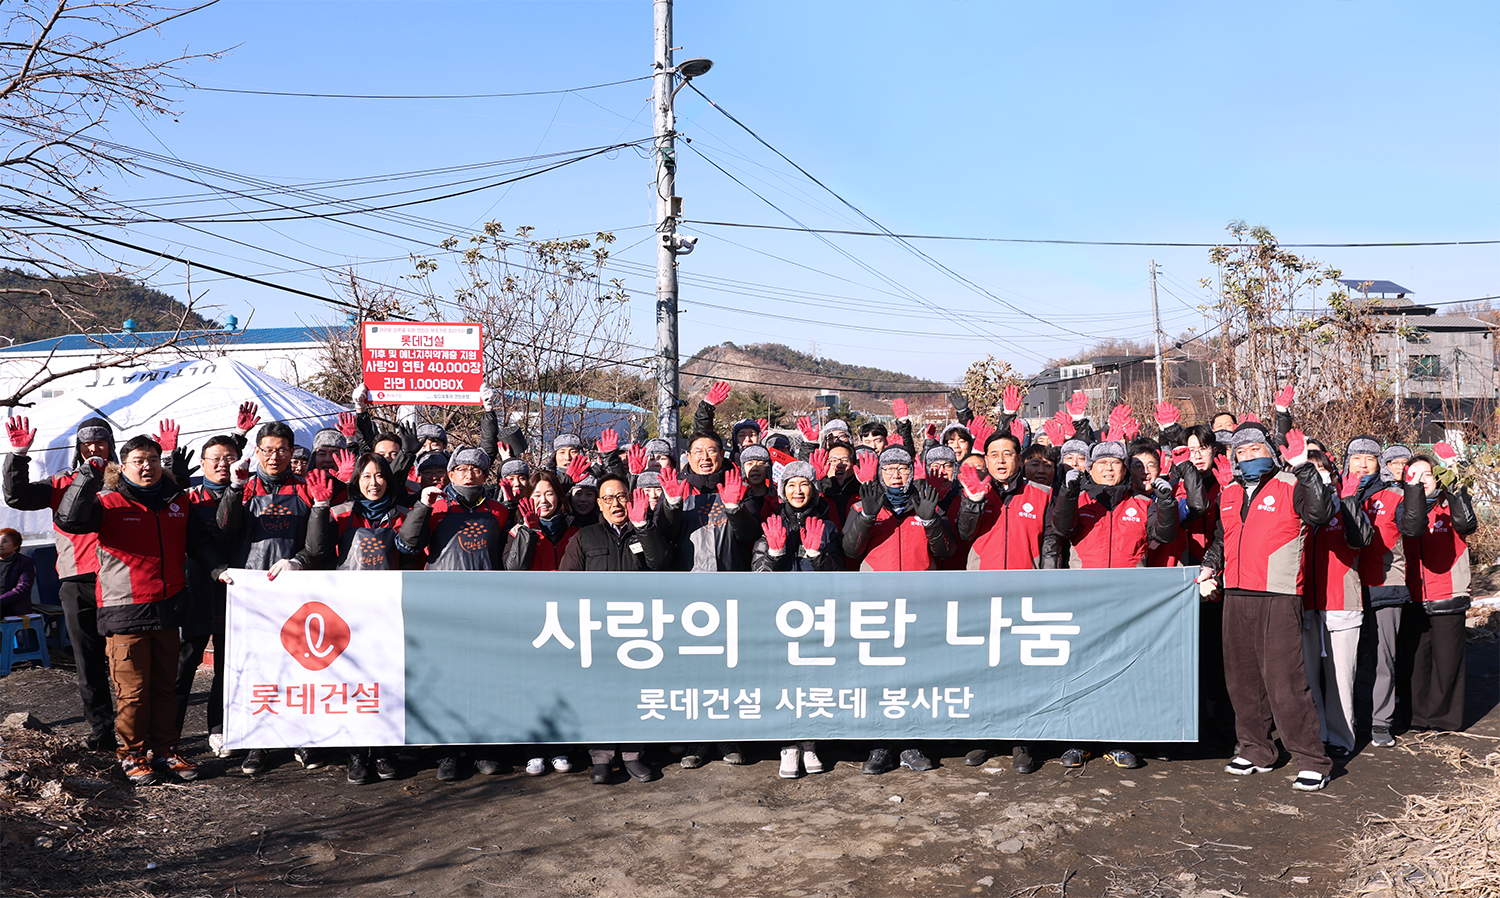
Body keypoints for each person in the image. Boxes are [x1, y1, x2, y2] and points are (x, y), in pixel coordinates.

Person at [54, 436, 229, 785]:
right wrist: (88, 477)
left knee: (166, 687)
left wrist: (218, 570)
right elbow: (69, 520)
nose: (147, 466)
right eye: (138, 460)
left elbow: (198, 542)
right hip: (125, 611)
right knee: (132, 692)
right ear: (124, 465)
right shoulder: (107, 502)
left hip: (168, 609)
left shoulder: (177, 501)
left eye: (153, 458)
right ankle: (131, 754)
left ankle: (166, 749)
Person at [1200, 423, 1335, 792]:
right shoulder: (1228, 493)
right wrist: (1210, 566)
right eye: (1240, 453)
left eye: (1255, 450)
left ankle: (1312, 760)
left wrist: (1304, 466)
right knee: (1242, 682)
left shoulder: (1291, 484)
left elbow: (1321, 513)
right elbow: (1221, 539)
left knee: (1286, 682)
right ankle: (1257, 749)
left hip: (1278, 593)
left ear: (1270, 453)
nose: (1247, 457)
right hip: (1236, 594)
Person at [1046, 439, 1178, 770]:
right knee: (1080, 671)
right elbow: (1061, 528)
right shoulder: (1081, 500)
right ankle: (1078, 739)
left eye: (1115, 463)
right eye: (1101, 462)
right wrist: (1068, 493)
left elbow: (1164, 533)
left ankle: (1118, 738)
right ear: (1090, 467)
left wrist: (1166, 503)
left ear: (1124, 469)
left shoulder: (1141, 503)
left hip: (1129, 604)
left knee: (1123, 672)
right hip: (1084, 601)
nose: (1108, 467)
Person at [217, 421, 328, 775]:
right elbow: (224, 527)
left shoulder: (306, 488)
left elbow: (319, 543)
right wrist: (234, 488)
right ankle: (258, 742)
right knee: (255, 668)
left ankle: (301, 737)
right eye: (267, 450)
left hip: (294, 588)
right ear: (257, 451)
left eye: (282, 450)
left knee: (298, 667)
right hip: (251, 591)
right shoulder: (244, 486)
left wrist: (299, 560)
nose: (274, 456)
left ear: (291, 451)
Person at [397, 447, 512, 780]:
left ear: (485, 474)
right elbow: (407, 545)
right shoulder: (436, 505)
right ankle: (448, 751)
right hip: (442, 607)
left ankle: (482, 747)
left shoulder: (499, 510)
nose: (468, 474)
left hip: (487, 607)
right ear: (449, 474)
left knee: (484, 678)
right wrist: (422, 506)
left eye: (475, 469)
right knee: (446, 680)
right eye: (460, 468)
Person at [4, 415, 118, 751]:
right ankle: (101, 729)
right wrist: (18, 455)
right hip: (76, 578)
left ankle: (135, 728)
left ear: (111, 445)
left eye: (101, 441)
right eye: (87, 443)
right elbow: (17, 497)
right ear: (79, 448)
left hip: (120, 579)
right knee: (87, 658)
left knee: (129, 658)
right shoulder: (61, 482)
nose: (94, 448)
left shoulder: (123, 479)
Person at [842, 446, 953, 774]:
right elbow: (850, 549)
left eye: (902, 469)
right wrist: (866, 517)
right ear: (879, 473)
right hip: (876, 605)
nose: (895, 474)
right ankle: (880, 747)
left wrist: (931, 519)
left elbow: (947, 549)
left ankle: (911, 744)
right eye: (888, 469)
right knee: (879, 677)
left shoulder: (927, 503)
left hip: (921, 605)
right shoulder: (864, 504)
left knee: (915, 677)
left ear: (912, 471)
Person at [952, 431, 1054, 774]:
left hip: (1027, 594)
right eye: (993, 453)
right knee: (984, 668)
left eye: (1007, 454)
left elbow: (1052, 544)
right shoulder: (972, 491)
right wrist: (972, 501)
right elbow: (964, 534)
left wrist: (1047, 586)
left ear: (1019, 459)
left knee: (1023, 670)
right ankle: (985, 735)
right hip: (983, 592)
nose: (999, 460)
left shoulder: (1042, 494)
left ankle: (1022, 740)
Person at [308, 452, 413, 784]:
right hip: (348, 613)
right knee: (354, 684)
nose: (373, 483)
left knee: (385, 683)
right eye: (366, 476)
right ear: (356, 480)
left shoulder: (402, 516)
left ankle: (383, 751)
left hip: (389, 611)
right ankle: (355, 753)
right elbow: (317, 549)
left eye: (379, 476)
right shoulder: (340, 514)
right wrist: (320, 508)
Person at [558, 474, 669, 783]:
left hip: (639, 628)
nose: (616, 503)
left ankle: (633, 755)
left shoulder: (646, 531)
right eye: (608, 498)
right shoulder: (585, 536)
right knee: (601, 693)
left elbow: (661, 563)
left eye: (621, 496)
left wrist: (644, 527)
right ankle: (602, 757)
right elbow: (566, 582)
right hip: (598, 629)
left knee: (635, 691)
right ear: (599, 503)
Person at [750, 460, 842, 778]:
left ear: (813, 489)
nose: (798, 490)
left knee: (812, 683)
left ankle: (810, 743)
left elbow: (841, 577)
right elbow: (757, 579)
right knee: (784, 685)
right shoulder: (771, 526)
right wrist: (774, 555)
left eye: (804, 484)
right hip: (781, 621)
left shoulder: (827, 527)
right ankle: (787, 746)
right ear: (782, 491)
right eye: (791, 485)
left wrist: (819, 556)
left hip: (818, 617)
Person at [1344, 437, 1424, 748]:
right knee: (1346, 662)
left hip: (1384, 584)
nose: (1362, 464)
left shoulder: (1394, 495)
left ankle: (1381, 721)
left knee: (1383, 659)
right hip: (1343, 587)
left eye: (1370, 459)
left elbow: (1412, 526)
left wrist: (1414, 490)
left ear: (1380, 464)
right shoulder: (1335, 493)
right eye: (1356, 458)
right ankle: (1346, 720)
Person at [1301, 449, 1372, 761]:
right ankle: (1315, 735)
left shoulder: (1346, 500)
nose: (1316, 474)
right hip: (1304, 605)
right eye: (1309, 468)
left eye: (1321, 468)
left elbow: (1362, 539)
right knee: (1307, 678)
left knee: (1340, 677)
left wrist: (1349, 502)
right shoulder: (1298, 504)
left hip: (1341, 603)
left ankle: (1342, 736)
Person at [1402, 450, 1477, 734]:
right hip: (1412, 595)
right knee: (1416, 661)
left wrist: (1456, 478)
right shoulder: (1402, 505)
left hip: (1449, 593)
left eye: (1427, 474)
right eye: (1414, 475)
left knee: (1448, 663)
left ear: (1438, 477)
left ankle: (1444, 721)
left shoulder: (1451, 502)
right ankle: (1417, 718)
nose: (1421, 480)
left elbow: (1467, 524)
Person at [177, 435, 239, 759]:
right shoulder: (189, 497)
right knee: (184, 664)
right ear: (202, 464)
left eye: (229, 457)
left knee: (228, 667)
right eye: (215, 458)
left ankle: (219, 730)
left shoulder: (247, 493)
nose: (222, 464)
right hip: (196, 588)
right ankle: (168, 735)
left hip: (237, 590)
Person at [0, 527, 36, 616]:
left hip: (11, 606)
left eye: (4, 541)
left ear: (16, 545)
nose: (0, 544)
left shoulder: (25, 562)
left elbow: (22, 589)